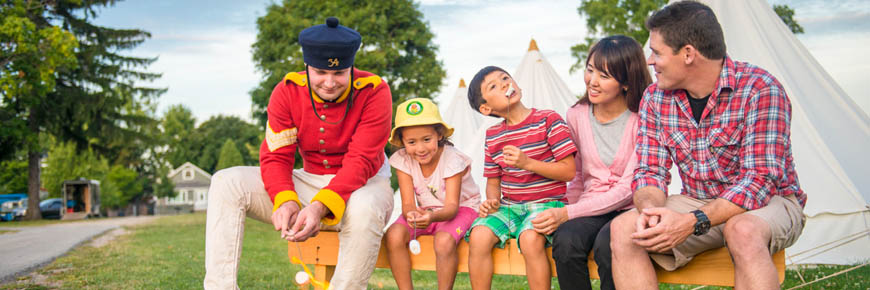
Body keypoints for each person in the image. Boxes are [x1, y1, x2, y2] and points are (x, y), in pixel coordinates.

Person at [609, 2, 807, 289]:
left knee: (743, 230)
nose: (650, 61)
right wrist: (651, 210)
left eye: (656, 52)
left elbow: (759, 181)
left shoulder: (761, 88)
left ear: (688, 54)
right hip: (698, 200)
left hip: (770, 202)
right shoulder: (654, 97)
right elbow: (649, 171)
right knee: (625, 228)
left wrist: (691, 222)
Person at [203, 17, 395, 289]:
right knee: (225, 181)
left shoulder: (375, 91)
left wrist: (319, 207)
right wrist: (284, 199)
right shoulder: (287, 91)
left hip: (365, 186)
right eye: (320, 72)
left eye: (339, 73)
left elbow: (361, 161)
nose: (330, 83)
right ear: (306, 67)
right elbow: (276, 156)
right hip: (309, 181)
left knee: (364, 206)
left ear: (351, 68)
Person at [531, 35, 651, 290]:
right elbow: (575, 174)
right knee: (566, 241)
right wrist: (571, 213)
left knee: (609, 246)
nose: (592, 82)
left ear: (627, 83)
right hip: (590, 205)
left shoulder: (642, 119)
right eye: (590, 70)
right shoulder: (575, 115)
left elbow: (629, 187)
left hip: (629, 208)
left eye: (604, 76)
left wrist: (568, 213)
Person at [465, 66, 577, 290]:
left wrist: (528, 163)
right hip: (510, 207)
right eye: (494, 86)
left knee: (529, 239)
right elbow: (494, 181)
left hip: (547, 204)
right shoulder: (493, 136)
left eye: (505, 78)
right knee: (478, 236)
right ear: (486, 108)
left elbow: (568, 171)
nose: (505, 84)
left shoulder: (548, 120)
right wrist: (492, 201)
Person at [383, 98, 481, 290]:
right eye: (411, 142)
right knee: (393, 235)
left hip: (462, 208)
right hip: (427, 211)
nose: (420, 148)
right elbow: (408, 204)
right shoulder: (403, 160)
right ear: (402, 142)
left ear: (439, 134)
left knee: (443, 241)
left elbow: (452, 208)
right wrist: (411, 214)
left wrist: (431, 216)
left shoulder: (452, 159)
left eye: (427, 139)